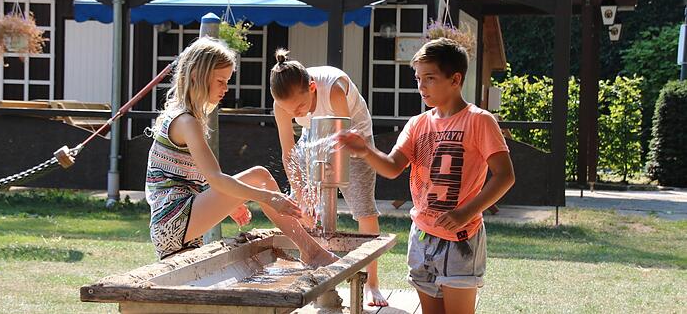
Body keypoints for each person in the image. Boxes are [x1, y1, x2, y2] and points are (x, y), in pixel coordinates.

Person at [338, 38, 515, 314]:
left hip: (461, 240)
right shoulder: (417, 124)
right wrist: (365, 150)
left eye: (429, 78)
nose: (421, 86)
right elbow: (392, 167)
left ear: (455, 79)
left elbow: (505, 176)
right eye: (418, 78)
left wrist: (465, 213)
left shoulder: (479, 120)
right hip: (421, 237)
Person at [145, 37, 337, 268]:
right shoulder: (186, 121)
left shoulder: (185, 117)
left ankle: (311, 250)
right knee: (261, 177)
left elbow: (192, 178)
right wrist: (270, 198)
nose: (226, 89)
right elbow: (215, 178)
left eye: (227, 81)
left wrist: (229, 203)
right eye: (220, 81)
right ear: (197, 75)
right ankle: (311, 251)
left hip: (175, 222)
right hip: (172, 222)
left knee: (259, 177)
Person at [270, 49, 388, 307]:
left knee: (364, 210)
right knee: (296, 206)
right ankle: (311, 263)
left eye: (300, 107)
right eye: (292, 111)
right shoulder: (282, 107)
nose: (297, 112)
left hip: (353, 138)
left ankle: (372, 283)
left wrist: (321, 189)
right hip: (313, 137)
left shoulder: (333, 88)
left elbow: (340, 143)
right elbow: (288, 153)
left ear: (312, 87)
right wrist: (302, 197)